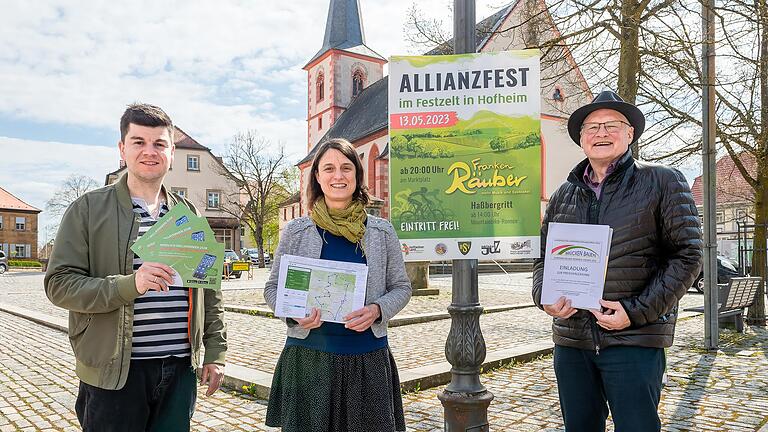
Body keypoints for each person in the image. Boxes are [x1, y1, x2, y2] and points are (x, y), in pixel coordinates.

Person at [44, 103, 227, 432]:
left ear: (172, 152)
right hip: (115, 373)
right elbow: (59, 284)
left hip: (178, 372)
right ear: (122, 149)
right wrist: (130, 284)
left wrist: (215, 351)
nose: (150, 151)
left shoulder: (189, 215)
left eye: (160, 144)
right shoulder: (87, 209)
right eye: (139, 142)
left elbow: (209, 289)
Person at [532, 90, 702, 431]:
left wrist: (635, 311)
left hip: (634, 341)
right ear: (581, 138)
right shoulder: (564, 193)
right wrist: (544, 297)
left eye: (612, 125)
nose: (601, 133)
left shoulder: (662, 181)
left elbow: (688, 255)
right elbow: (542, 257)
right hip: (572, 341)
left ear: (630, 134)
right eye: (592, 127)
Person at [264, 138, 412, 432]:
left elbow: (402, 287)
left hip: (367, 358)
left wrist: (377, 309)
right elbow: (272, 289)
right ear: (317, 177)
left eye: (346, 168)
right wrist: (293, 313)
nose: (338, 176)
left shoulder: (382, 232)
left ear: (357, 176)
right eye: (328, 168)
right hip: (308, 359)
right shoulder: (297, 232)